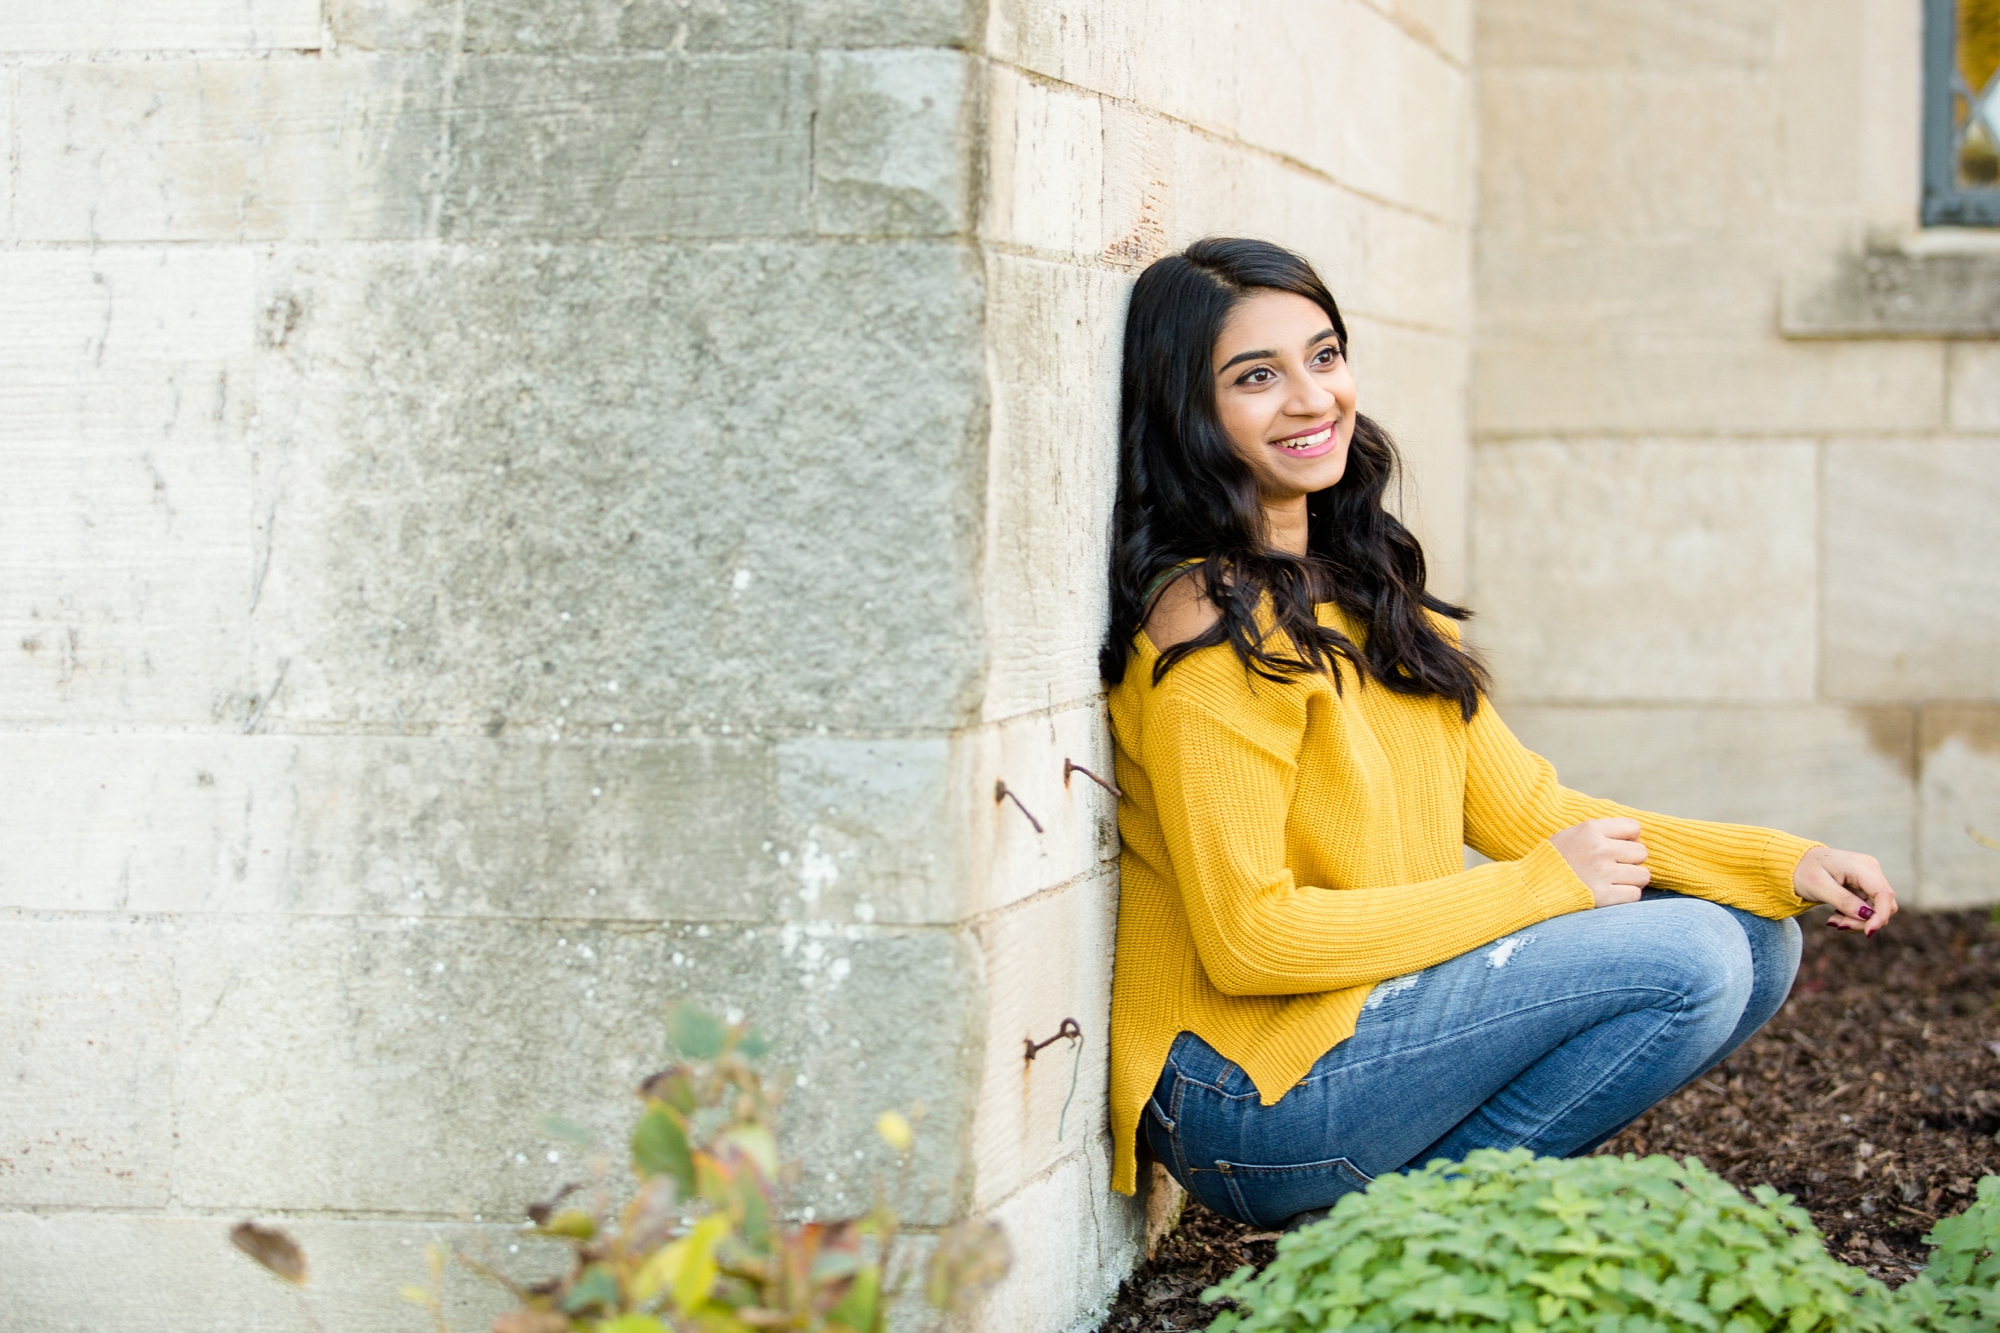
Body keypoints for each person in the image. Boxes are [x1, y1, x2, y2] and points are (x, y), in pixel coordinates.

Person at [1100, 237, 1898, 1229]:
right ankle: (1402, 1236)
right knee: (1690, 953)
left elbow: (1530, 809)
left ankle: (1413, 1232)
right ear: (1188, 409)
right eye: (1256, 377)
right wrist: (1536, 887)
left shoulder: (1365, 588)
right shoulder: (1210, 630)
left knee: (1753, 933)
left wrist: (1785, 859)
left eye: (1324, 355)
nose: (1311, 399)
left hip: (1363, 1018)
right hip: (1244, 1090)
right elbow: (1248, 941)